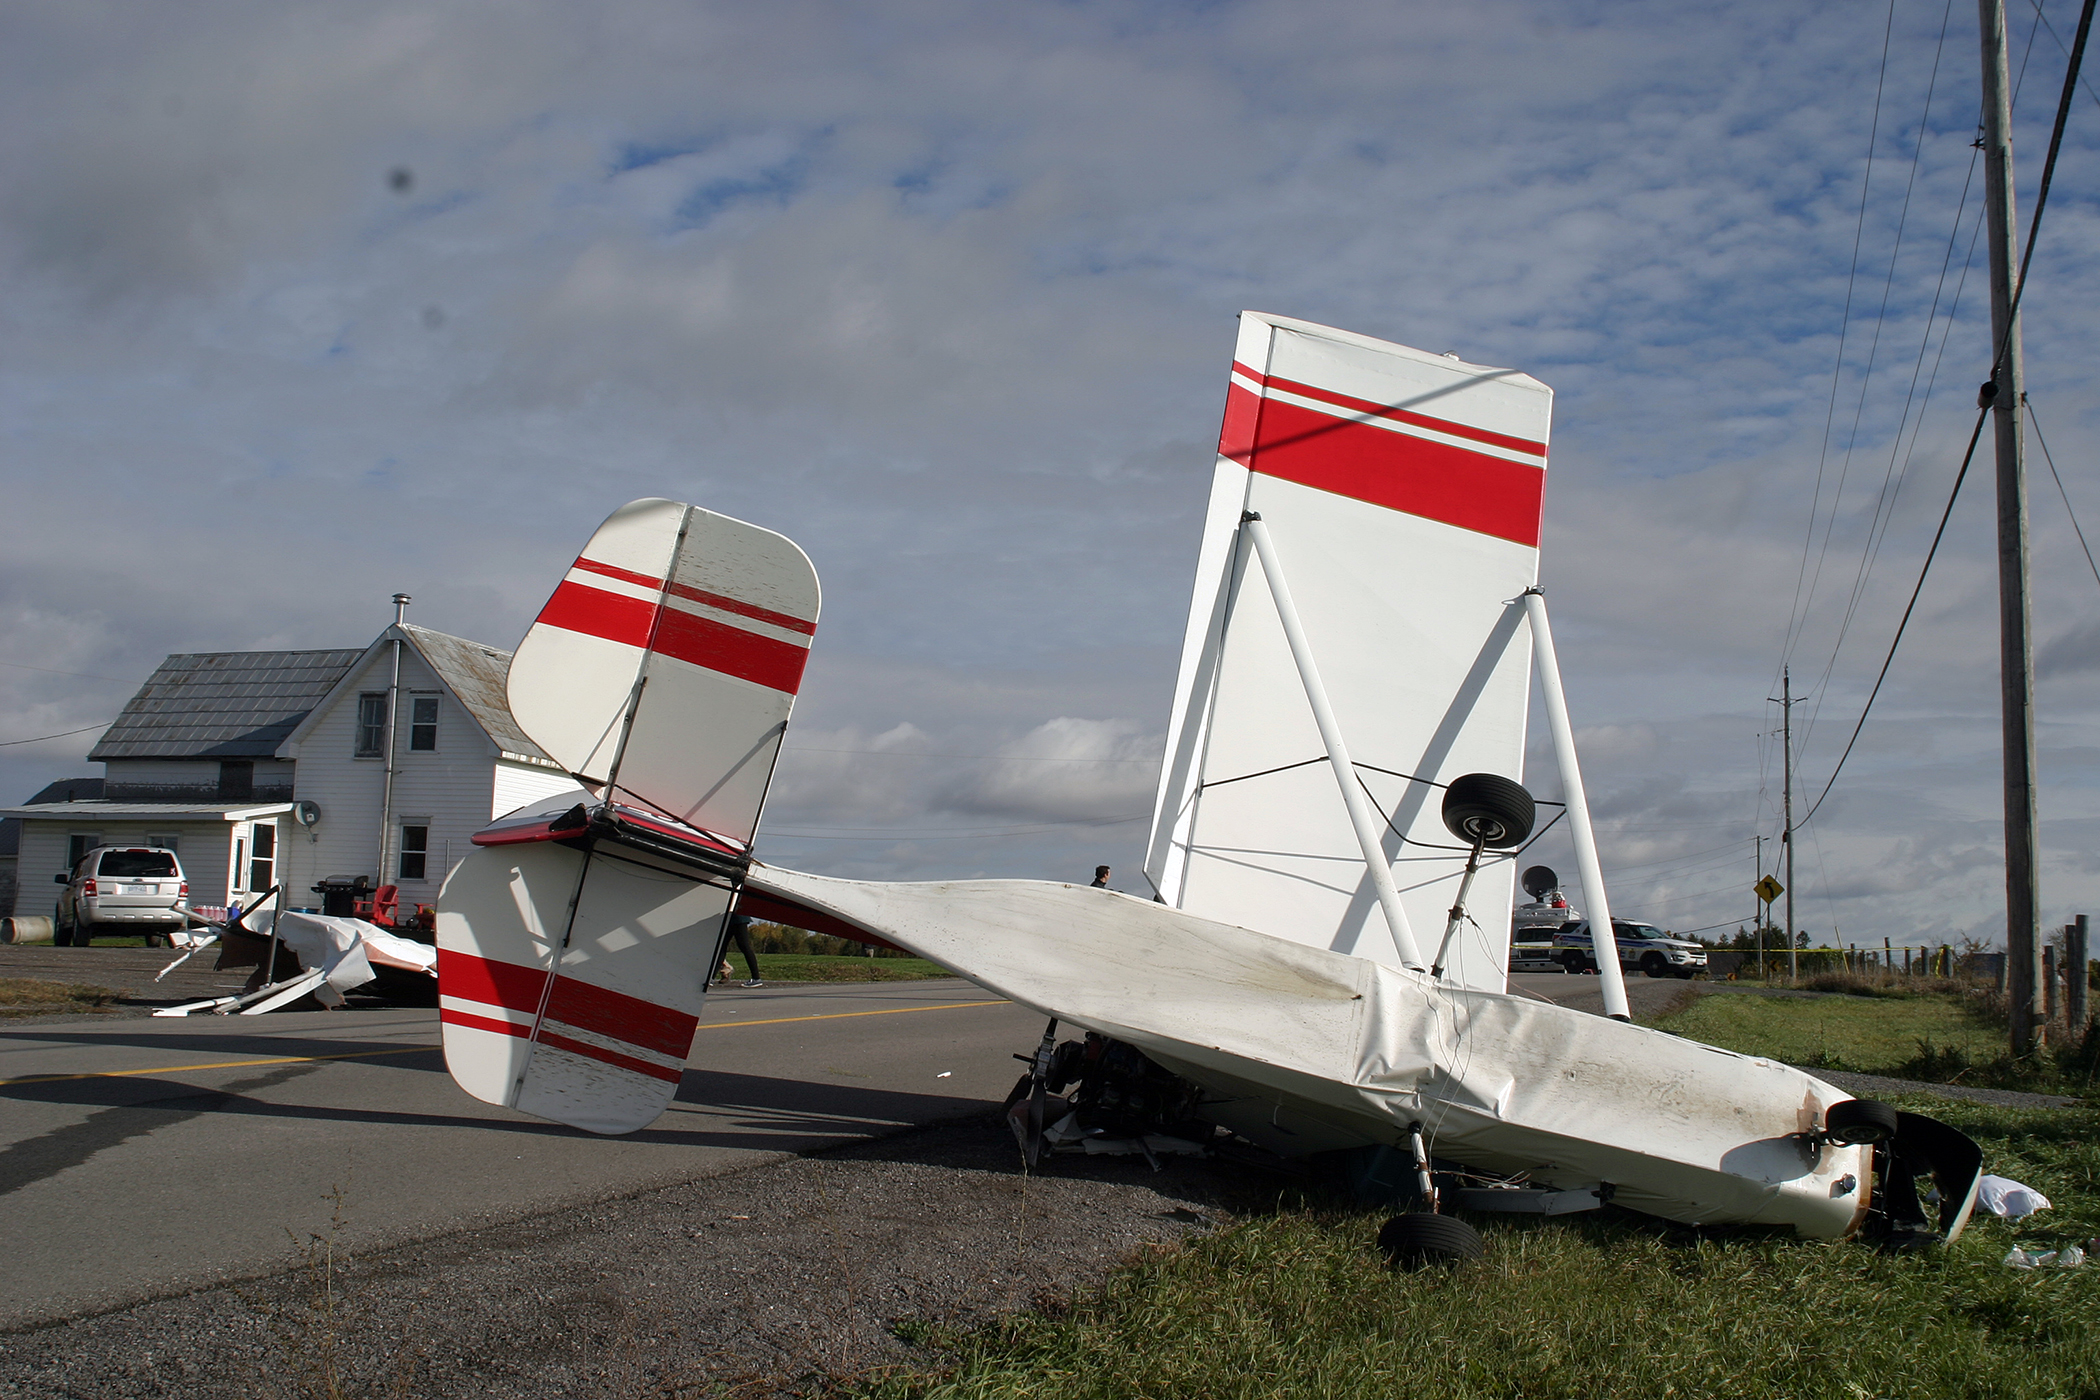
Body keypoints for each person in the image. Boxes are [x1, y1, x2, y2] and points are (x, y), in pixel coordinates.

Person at [721, 912, 764, 987]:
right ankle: (756, 978)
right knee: (723, 947)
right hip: (736, 917)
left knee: (743, 947)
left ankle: (756, 978)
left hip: (735, 917)